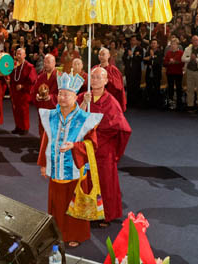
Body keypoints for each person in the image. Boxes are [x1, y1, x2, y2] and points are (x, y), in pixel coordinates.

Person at [37, 72, 102, 248]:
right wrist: (43, 163)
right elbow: (46, 139)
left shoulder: (84, 119)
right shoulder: (51, 116)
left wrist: (74, 146)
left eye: (66, 94)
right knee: (56, 203)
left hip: (75, 168)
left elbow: (92, 144)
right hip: (56, 167)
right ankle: (56, 233)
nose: (62, 97)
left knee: (73, 203)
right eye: (60, 94)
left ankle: (75, 234)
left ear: (75, 97)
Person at [78, 67, 131, 226]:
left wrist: (98, 132)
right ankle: (85, 211)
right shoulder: (83, 97)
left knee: (105, 181)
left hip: (103, 147)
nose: (95, 80)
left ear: (106, 81)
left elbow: (122, 128)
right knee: (86, 180)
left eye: (99, 78)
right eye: (93, 77)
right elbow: (72, 118)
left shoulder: (111, 102)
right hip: (85, 148)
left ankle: (106, 214)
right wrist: (83, 104)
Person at [9, 48, 36, 135]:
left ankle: (25, 128)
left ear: (25, 55)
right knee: (16, 110)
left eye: (20, 54)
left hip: (24, 93)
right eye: (17, 54)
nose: (18, 56)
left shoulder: (29, 66)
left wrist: (22, 86)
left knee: (23, 110)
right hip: (15, 92)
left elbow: (33, 80)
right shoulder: (14, 66)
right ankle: (18, 126)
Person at [30, 54, 58, 138]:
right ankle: (43, 147)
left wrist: (51, 97)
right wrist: (37, 96)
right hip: (42, 107)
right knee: (42, 128)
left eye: (48, 62)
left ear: (54, 63)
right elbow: (34, 90)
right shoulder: (41, 76)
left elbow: (63, 94)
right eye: (45, 62)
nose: (46, 64)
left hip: (53, 109)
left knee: (53, 129)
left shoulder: (59, 76)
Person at [94, 47, 127, 112]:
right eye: (99, 54)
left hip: (109, 100)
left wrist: (108, 80)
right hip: (96, 99)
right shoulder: (95, 68)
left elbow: (118, 87)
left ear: (108, 55)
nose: (101, 56)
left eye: (103, 54)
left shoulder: (113, 70)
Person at [163, 39, 184, 110]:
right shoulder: (168, 53)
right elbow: (164, 63)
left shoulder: (181, 53)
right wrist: (169, 62)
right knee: (170, 88)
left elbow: (182, 63)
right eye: (172, 44)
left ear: (178, 45)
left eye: (175, 44)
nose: (173, 46)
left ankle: (179, 103)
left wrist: (175, 62)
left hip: (178, 73)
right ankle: (171, 102)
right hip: (170, 73)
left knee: (179, 88)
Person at [123, 36, 144, 107]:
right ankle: (129, 102)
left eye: (134, 40)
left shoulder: (140, 49)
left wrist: (132, 56)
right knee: (129, 87)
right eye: (131, 40)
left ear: (136, 41)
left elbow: (140, 59)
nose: (133, 41)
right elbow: (124, 58)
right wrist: (128, 56)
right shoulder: (127, 48)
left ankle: (136, 103)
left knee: (136, 86)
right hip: (128, 70)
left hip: (136, 71)